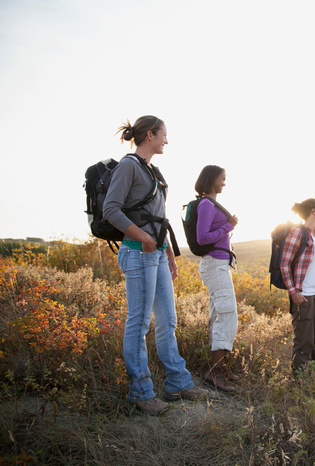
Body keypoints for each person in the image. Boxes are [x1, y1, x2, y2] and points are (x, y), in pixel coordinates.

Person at [104, 115, 207, 414]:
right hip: (137, 252)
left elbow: (158, 218)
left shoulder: (154, 171)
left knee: (168, 320)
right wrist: (143, 240)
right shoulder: (128, 167)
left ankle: (178, 382)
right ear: (150, 135)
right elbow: (111, 209)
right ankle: (141, 391)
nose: (166, 140)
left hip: (156, 253)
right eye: (163, 134)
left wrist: (166, 253)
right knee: (138, 323)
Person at [194, 165, 239, 393]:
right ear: (212, 179)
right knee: (226, 314)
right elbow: (202, 238)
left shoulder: (211, 204)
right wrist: (228, 226)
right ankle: (216, 373)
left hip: (219, 265)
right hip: (214, 265)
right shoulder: (206, 204)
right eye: (222, 179)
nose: (224, 183)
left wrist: (226, 226)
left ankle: (220, 368)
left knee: (220, 314)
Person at [280, 198, 315, 375]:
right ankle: (298, 385)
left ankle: (310, 378)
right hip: (303, 296)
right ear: (314, 211)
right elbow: (284, 264)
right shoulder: (297, 233)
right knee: (303, 342)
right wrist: (293, 292)